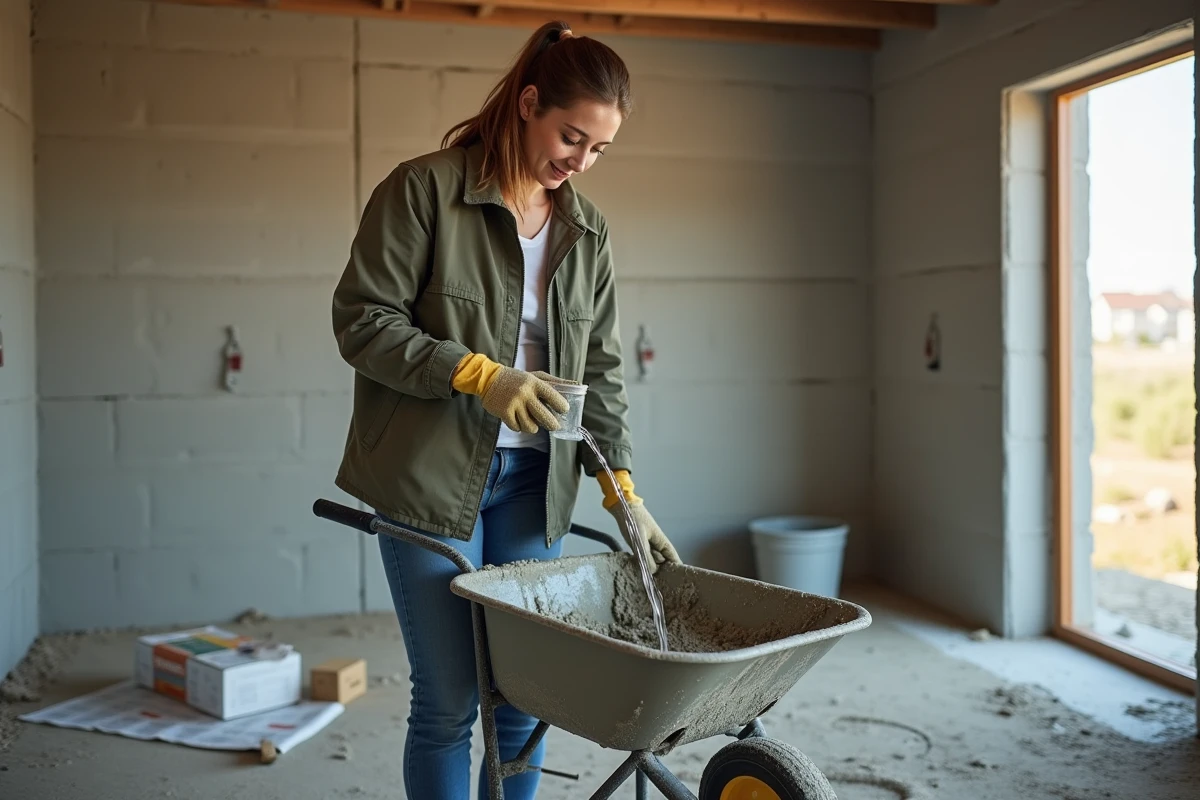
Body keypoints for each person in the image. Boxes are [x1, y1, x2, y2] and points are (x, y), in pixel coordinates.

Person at [329, 20, 681, 800]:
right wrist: (476, 374)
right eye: (571, 136)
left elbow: (601, 371)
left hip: (534, 484)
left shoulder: (586, 232)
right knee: (451, 701)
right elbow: (362, 322)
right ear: (527, 102)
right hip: (429, 481)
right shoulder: (423, 189)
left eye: (599, 149)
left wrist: (622, 488)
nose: (580, 162)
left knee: (525, 700)